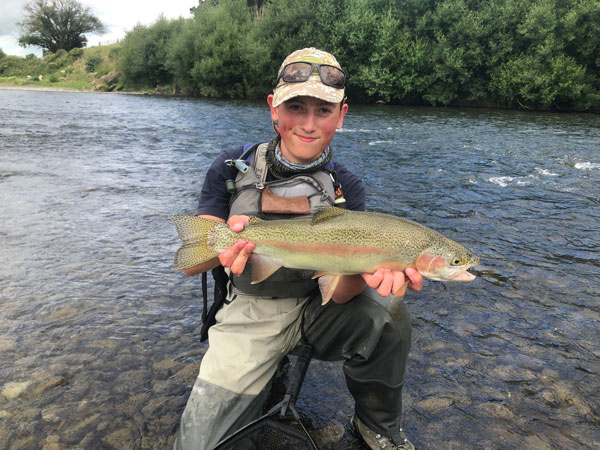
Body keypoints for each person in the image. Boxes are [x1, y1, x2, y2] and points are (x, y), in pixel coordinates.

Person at [174, 48, 423, 450]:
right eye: (296, 107)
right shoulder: (230, 166)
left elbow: (339, 293)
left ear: (341, 116)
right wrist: (222, 246)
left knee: (389, 311)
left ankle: (377, 424)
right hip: (249, 315)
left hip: (315, 310)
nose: (309, 124)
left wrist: (361, 269)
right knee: (197, 445)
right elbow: (191, 266)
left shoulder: (347, 186)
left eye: (324, 111)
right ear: (274, 108)